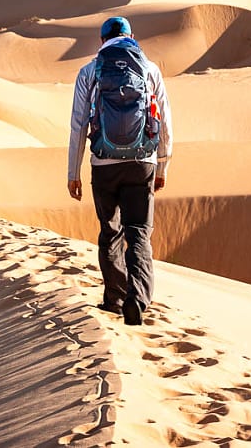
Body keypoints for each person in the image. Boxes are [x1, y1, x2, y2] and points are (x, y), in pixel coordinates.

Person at [67, 16, 172, 326]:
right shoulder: (150, 69)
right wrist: (164, 163)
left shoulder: (90, 71)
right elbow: (164, 120)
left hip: (103, 164)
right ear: (131, 36)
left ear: (102, 41)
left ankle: (114, 298)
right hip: (143, 162)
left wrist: (72, 172)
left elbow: (78, 124)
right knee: (139, 232)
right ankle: (138, 298)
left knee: (110, 232)